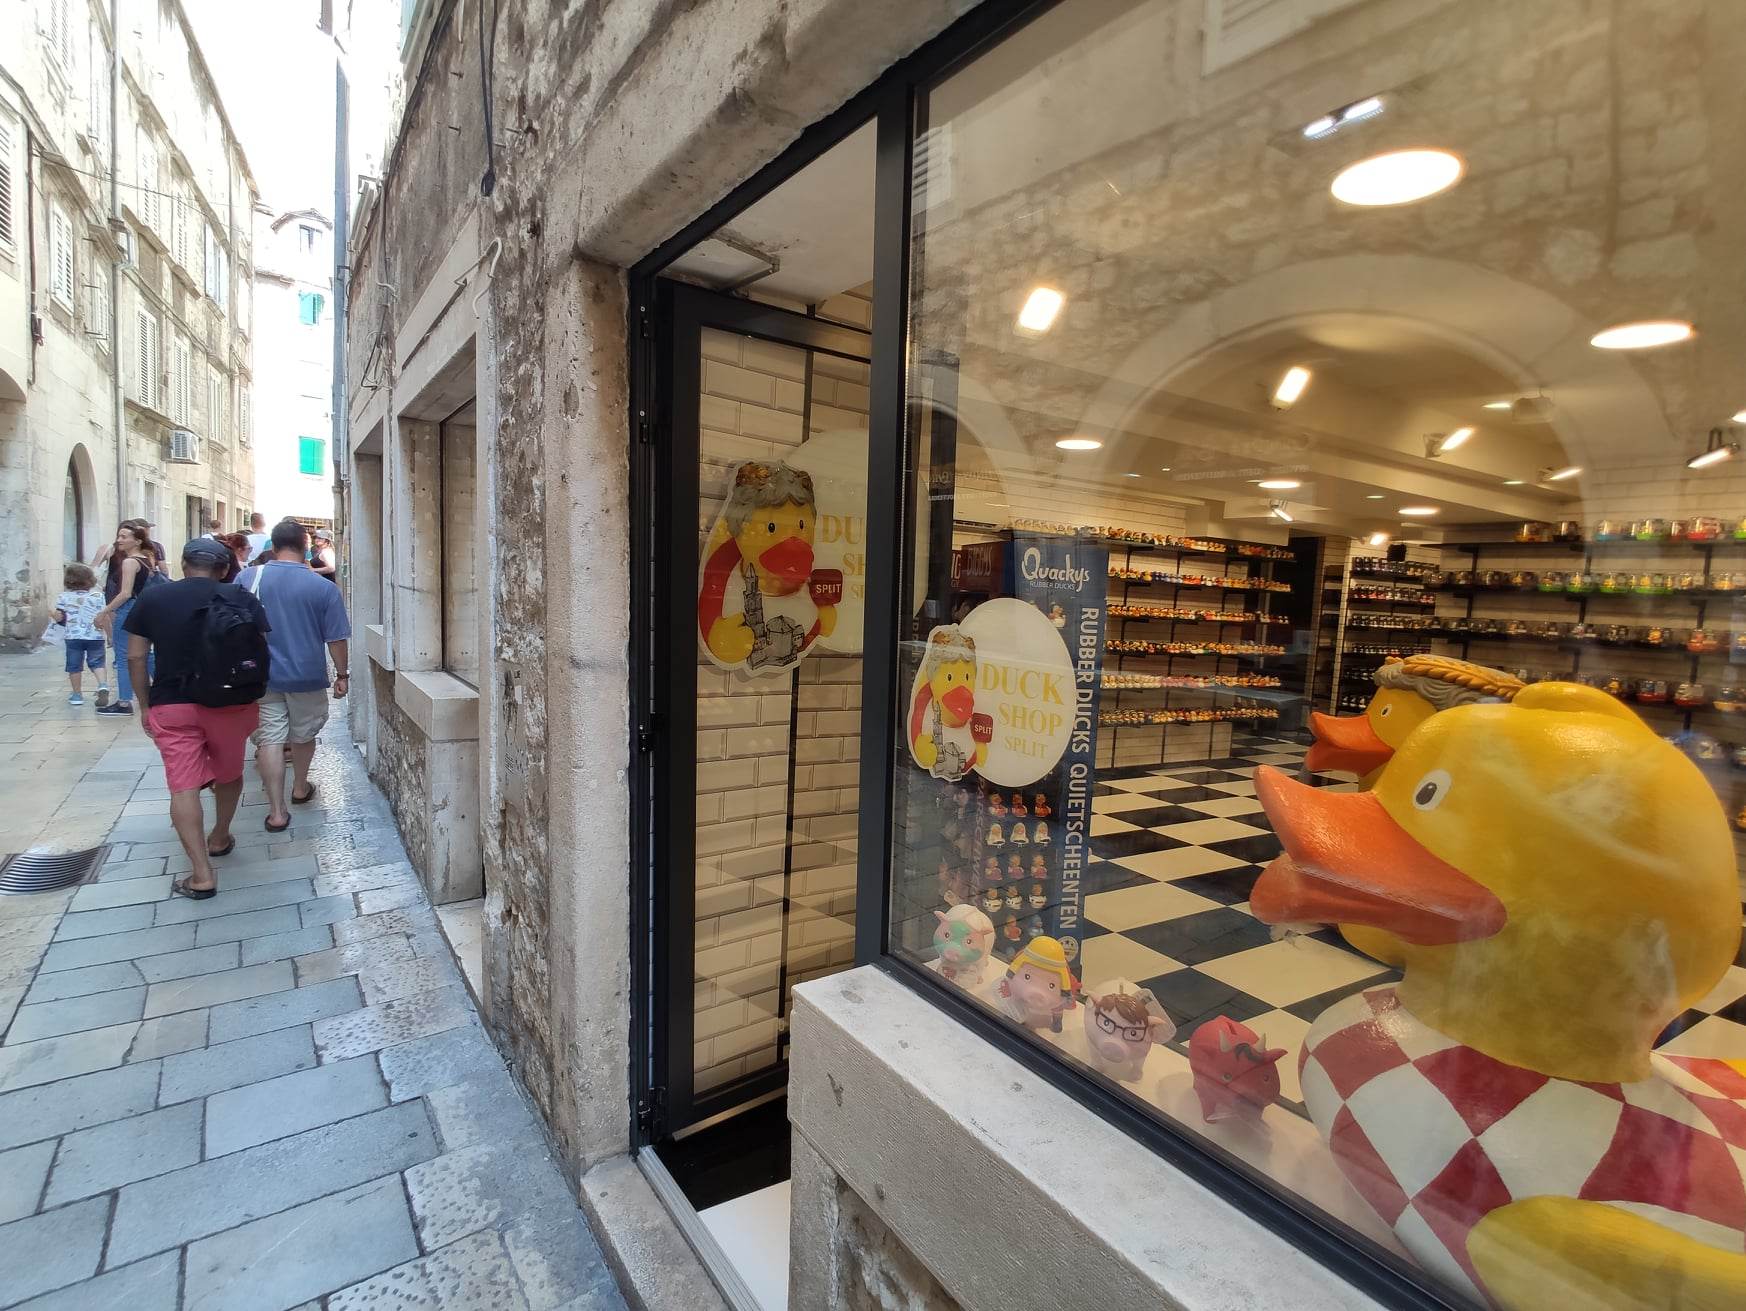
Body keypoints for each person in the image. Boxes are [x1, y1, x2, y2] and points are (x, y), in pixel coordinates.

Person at [124, 538, 271, 899]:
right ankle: (220, 836)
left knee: (183, 786)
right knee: (229, 773)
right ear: (224, 569)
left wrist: (145, 704)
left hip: (172, 703)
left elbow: (136, 658)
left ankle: (202, 874)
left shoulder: (154, 598)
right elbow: (260, 647)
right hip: (230, 702)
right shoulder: (240, 597)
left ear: (184, 564)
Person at [238, 519, 350, 830]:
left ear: (273, 547)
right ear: (306, 547)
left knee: (270, 739)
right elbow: (336, 639)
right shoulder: (323, 588)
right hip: (306, 675)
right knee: (303, 735)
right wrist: (342, 675)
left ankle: (276, 811)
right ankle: (300, 787)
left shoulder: (247, 578)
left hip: (260, 676)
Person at [94, 522, 158, 716]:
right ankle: (167, 688)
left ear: (137, 540)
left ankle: (124, 702)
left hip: (128, 609)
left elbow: (125, 593)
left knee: (123, 656)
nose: (119, 540)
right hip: (144, 609)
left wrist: (104, 611)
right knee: (145, 653)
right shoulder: (146, 559)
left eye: (124, 537)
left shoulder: (130, 562)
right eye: (119, 536)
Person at [55, 563, 108, 707]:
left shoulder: (63, 597)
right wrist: (109, 635)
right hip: (95, 636)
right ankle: (103, 685)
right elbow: (104, 617)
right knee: (97, 662)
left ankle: (77, 695)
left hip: (73, 637)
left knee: (74, 666)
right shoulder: (98, 596)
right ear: (90, 579)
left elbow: (60, 618)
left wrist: (55, 616)